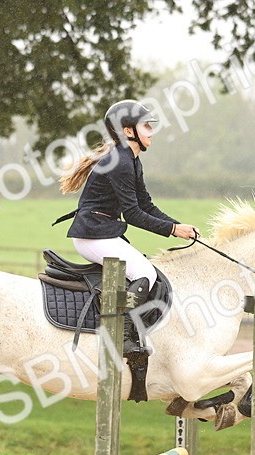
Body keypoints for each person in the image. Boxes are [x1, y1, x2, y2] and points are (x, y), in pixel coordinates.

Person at [57, 100, 198, 359]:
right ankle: (120, 335)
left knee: (142, 271)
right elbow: (133, 214)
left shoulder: (132, 160)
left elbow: (146, 205)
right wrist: (172, 230)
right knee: (145, 272)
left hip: (102, 232)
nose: (151, 131)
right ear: (129, 131)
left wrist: (178, 226)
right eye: (146, 126)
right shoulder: (120, 161)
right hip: (92, 235)